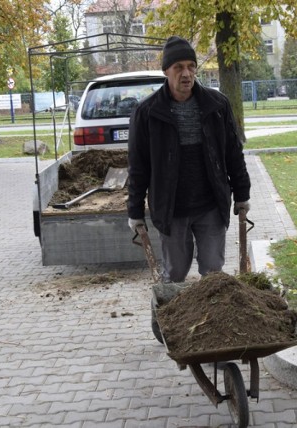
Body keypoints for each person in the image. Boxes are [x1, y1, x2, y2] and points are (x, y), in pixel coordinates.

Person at [127, 35, 251, 283]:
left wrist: (242, 194)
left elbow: (232, 153)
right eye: (179, 67)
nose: (186, 73)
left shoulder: (216, 105)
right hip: (172, 210)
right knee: (174, 274)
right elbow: (139, 166)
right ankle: (170, 320)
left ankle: (213, 321)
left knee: (214, 273)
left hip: (211, 206)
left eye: (191, 66)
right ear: (166, 71)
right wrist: (135, 210)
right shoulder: (148, 112)